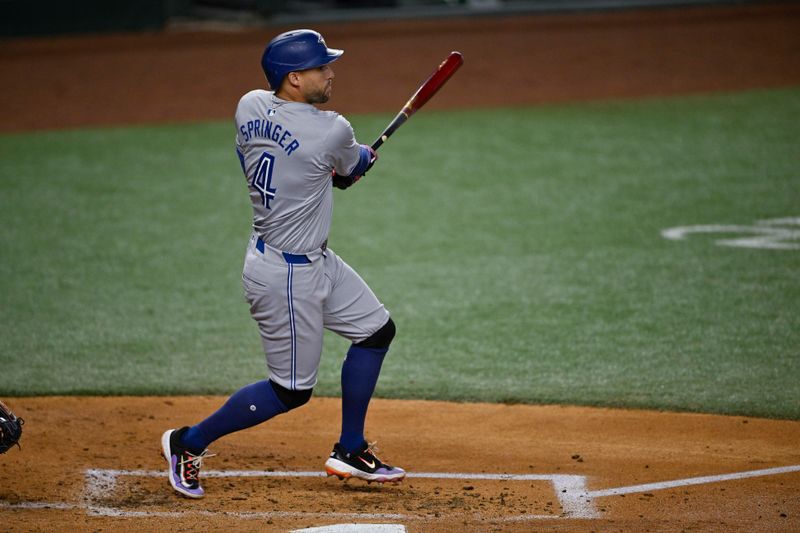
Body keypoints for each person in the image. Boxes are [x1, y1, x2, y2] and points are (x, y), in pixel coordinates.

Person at [161, 29, 405, 499]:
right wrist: (361, 163)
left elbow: (304, 165)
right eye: (321, 67)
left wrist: (335, 173)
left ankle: (350, 448)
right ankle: (187, 443)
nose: (330, 73)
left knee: (376, 331)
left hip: (304, 257)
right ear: (294, 78)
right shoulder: (332, 128)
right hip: (287, 278)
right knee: (290, 391)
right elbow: (350, 167)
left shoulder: (248, 105)